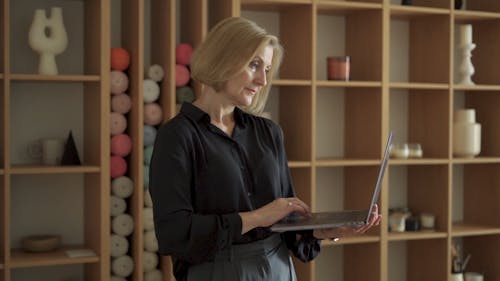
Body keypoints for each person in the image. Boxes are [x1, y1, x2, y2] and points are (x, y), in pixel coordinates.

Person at [149, 17, 381, 281]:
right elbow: (175, 234)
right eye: (254, 65)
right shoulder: (177, 136)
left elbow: (286, 222)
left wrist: (328, 230)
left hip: (278, 267)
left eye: (267, 69)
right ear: (222, 59)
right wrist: (258, 217)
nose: (262, 80)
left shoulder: (269, 133)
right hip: (218, 271)